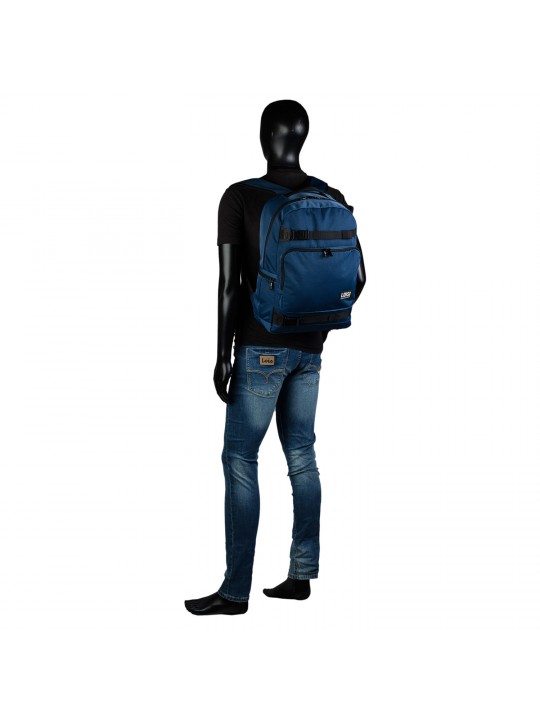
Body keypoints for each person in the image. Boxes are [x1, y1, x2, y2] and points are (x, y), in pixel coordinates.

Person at [185, 99, 366, 616]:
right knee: (302, 455)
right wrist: (316, 323)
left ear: (266, 137)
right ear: (301, 138)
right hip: (312, 351)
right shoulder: (331, 197)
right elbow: (359, 278)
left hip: (259, 348)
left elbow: (228, 285)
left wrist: (223, 354)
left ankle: (234, 592)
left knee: (241, 459)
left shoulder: (240, 197)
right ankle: (300, 575)